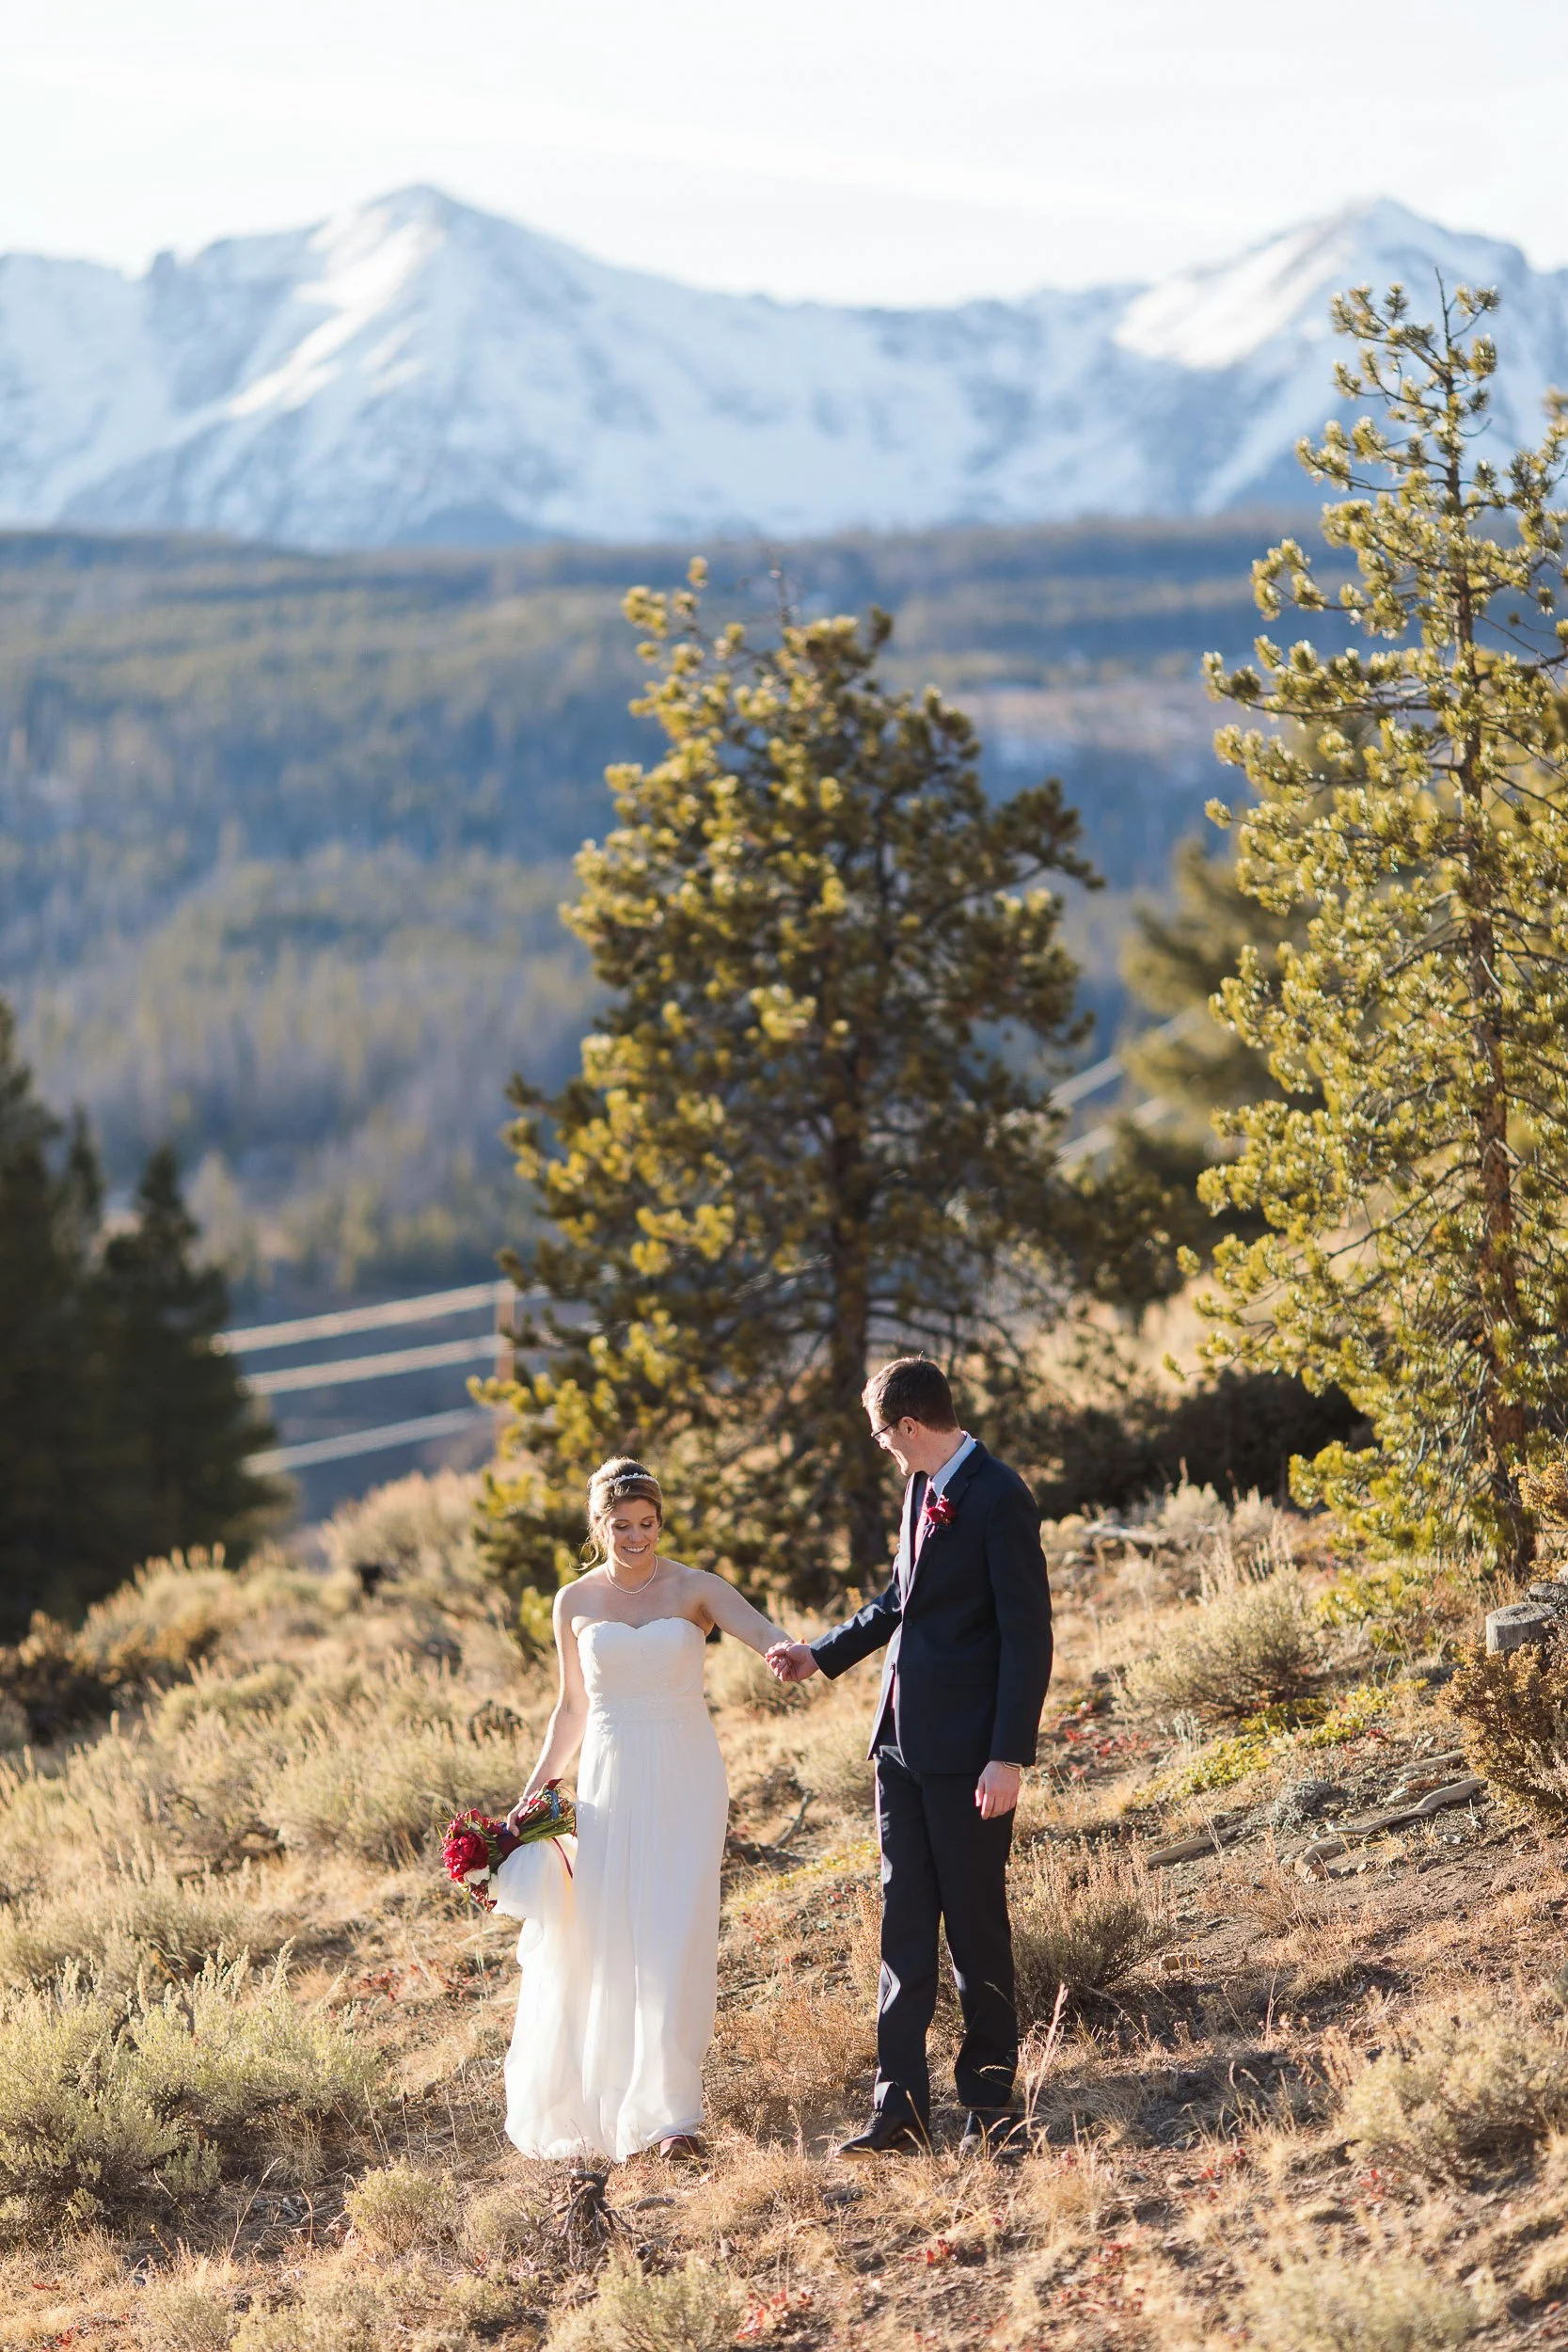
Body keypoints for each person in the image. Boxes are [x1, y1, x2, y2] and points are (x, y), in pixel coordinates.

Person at [768, 1358, 1053, 2158]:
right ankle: (898, 2110)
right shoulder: (921, 1488)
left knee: (975, 1930)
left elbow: (1028, 1639)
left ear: (910, 1428)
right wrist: (818, 1656)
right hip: (897, 1746)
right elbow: (899, 1600)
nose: (884, 1451)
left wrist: (1008, 1757)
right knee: (902, 1931)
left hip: (968, 1760)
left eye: (883, 1437)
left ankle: (992, 2107)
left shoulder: (999, 1497)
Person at [497, 1455, 789, 2164]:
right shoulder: (573, 1601)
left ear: (660, 1522)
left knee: (674, 1932)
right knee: (608, 1934)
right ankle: (610, 2099)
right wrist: (532, 1795)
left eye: (648, 1524)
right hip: (607, 1777)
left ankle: (669, 2118)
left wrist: (785, 1651)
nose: (636, 1538)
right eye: (622, 1525)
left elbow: (761, 1631)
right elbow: (571, 1707)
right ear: (599, 1525)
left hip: (686, 1771)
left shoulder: (694, 1588)